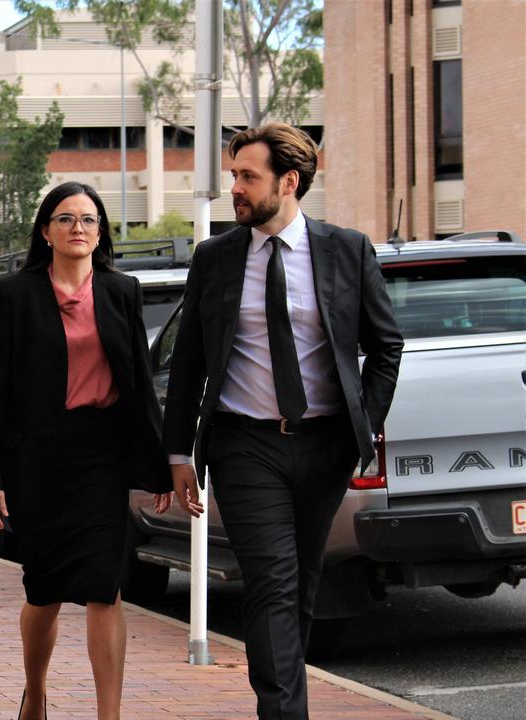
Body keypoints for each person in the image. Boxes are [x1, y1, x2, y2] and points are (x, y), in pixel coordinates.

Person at [162, 123, 403, 719]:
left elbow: (386, 345)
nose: (235, 189)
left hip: (324, 445)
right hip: (245, 445)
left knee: (299, 586)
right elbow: (189, 360)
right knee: (270, 583)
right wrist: (177, 454)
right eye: (234, 176)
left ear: (288, 182)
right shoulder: (215, 259)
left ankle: (283, 700)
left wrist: (361, 429)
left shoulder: (347, 250)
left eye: (248, 177)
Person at [0, 181, 173, 720]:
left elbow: (137, 381)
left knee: (105, 587)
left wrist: (160, 466)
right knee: (45, 592)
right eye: (65, 219)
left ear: (100, 231)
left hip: (101, 454)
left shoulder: (121, 289)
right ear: (46, 230)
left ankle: (110, 715)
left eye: (88, 219)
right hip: (36, 460)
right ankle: (35, 691)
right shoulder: (14, 294)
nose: (77, 227)